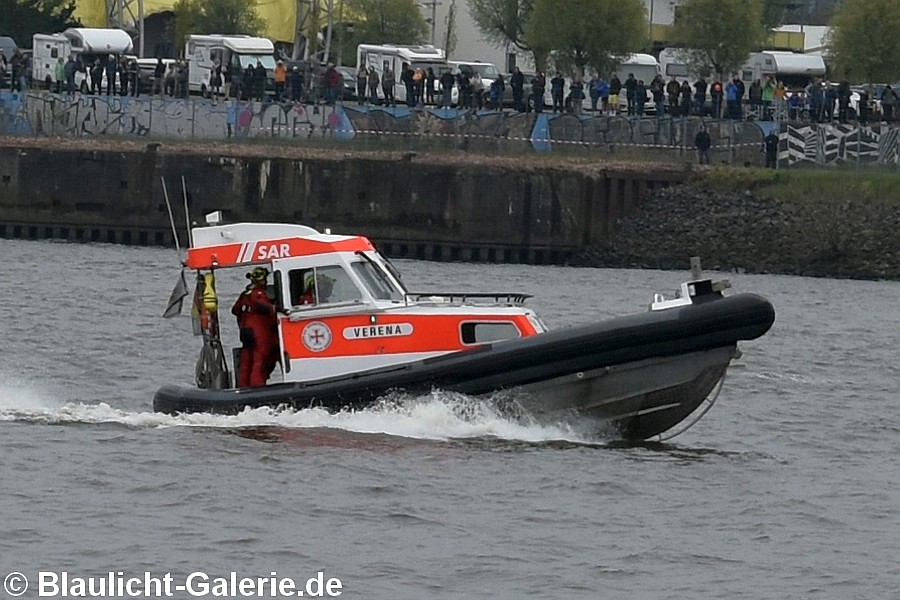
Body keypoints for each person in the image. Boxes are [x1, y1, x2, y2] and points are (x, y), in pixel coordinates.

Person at [231, 267, 279, 388]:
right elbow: (265, 307)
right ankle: (257, 388)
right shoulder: (259, 293)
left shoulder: (245, 294)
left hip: (245, 331)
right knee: (260, 361)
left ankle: (244, 387)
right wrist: (275, 308)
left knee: (246, 362)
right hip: (259, 333)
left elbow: (235, 310)